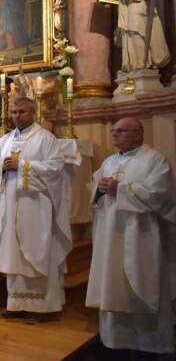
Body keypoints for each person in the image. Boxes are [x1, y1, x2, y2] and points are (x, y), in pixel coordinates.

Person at [86, 117, 175, 355]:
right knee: (112, 282)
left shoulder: (154, 160)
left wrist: (120, 189)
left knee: (143, 281)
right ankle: (114, 340)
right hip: (110, 234)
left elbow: (160, 193)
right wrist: (99, 189)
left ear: (138, 134)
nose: (114, 135)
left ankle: (149, 344)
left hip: (140, 235)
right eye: (113, 131)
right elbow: (95, 188)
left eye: (121, 131)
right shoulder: (109, 161)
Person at [0, 97, 72, 323]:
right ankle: (17, 304)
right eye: (14, 112)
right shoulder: (4, 141)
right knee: (14, 254)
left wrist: (22, 166)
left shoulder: (45, 139)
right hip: (10, 205)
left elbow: (55, 168)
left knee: (37, 251)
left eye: (22, 111)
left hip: (36, 208)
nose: (17, 116)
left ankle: (43, 308)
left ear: (33, 112)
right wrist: (1, 167)